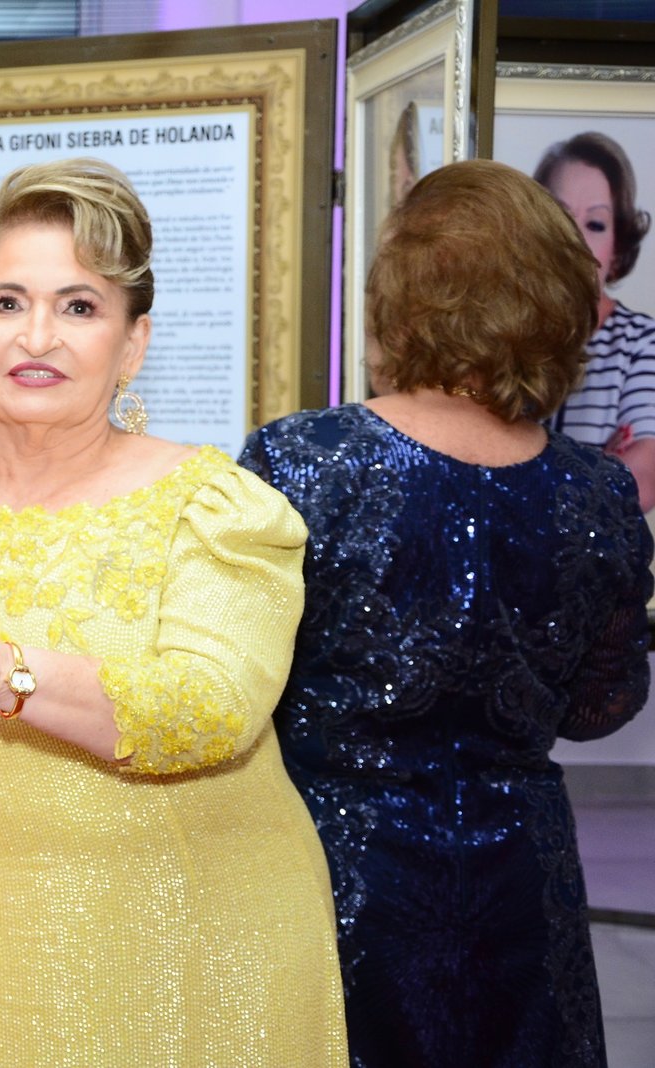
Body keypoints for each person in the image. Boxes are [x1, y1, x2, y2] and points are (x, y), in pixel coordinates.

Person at [0, 157, 347, 1066]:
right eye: (7, 304)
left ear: (133, 345)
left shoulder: (211, 506)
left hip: (195, 935)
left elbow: (212, 711)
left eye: (79, 306)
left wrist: (0, 671)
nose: (37, 336)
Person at [241, 159, 652, 1067]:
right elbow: (602, 707)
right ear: (557, 303)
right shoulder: (597, 493)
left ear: (398, 297)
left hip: (336, 877)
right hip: (521, 885)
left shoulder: (301, 461)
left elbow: (237, 690)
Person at [536, 131, 655, 511]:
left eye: (596, 224)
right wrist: (603, 466)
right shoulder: (505, 331)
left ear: (617, 250)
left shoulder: (642, 343)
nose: (574, 238)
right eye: (560, 216)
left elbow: (642, 482)